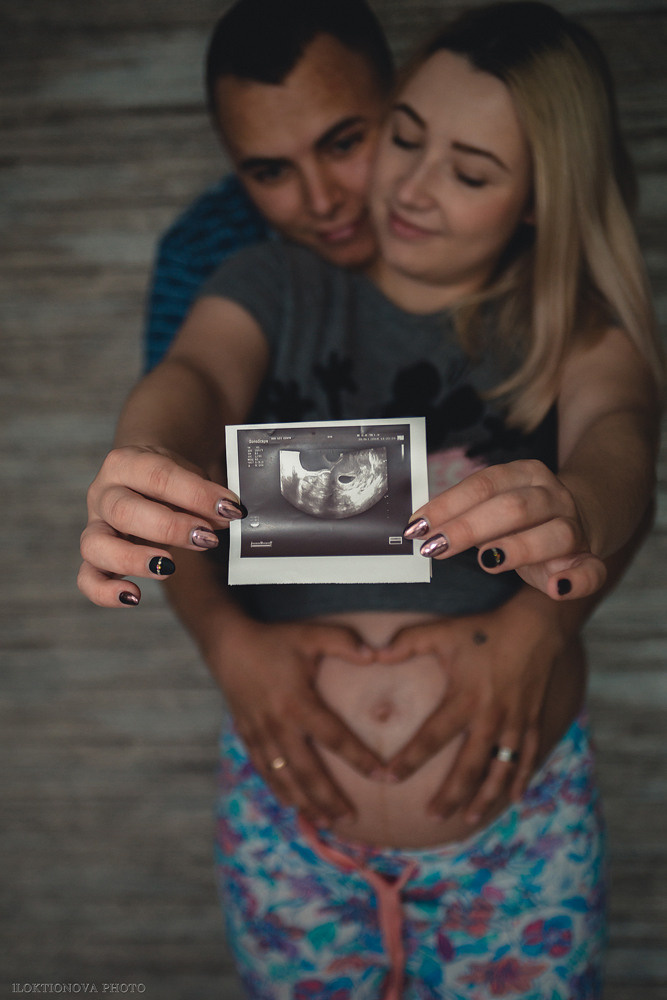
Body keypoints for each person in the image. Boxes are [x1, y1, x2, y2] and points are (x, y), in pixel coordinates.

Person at [78, 2, 664, 995]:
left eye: (470, 172)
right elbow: (196, 379)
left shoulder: (572, 327)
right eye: (402, 137)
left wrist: (576, 521)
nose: (409, 186)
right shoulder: (268, 278)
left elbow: (617, 448)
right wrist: (146, 451)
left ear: (535, 200)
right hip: (292, 832)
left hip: (516, 836)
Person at [144, 0, 393, 372]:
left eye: (343, 145)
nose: (322, 202)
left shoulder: (487, 208)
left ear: (403, 100)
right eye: (272, 173)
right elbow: (192, 391)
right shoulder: (201, 254)